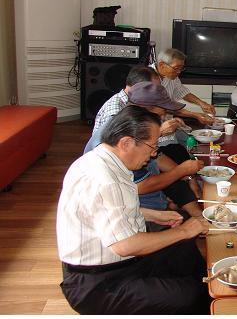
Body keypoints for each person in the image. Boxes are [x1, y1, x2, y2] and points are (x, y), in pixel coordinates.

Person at [57, 106, 212, 314]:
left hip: (118, 262)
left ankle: (208, 290)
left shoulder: (104, 161)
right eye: (152, 147)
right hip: (97, 282)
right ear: (126, 143)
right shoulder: (105, 179)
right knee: (189, 296)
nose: (154, 154)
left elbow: (105, 211)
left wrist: (152, 214)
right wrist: (184, 230)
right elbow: (125, 245)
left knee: (185, 251)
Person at [85, 82, 203, 219]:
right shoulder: (125, 138)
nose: (163, 119)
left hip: (146, 204)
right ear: (144, 110)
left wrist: (188, 176)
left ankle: (198, 216)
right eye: (160, 115)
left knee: (173, 169)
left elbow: (158, 157)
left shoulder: (132, 125)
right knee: (173, 175)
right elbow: (140, 186)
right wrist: (181, 171)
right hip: (132, 211)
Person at [92, 66, 183, 137]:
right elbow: (120, 143)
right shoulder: (115, 110)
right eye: (153, 87)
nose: (158, 89)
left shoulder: (136, 104)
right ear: (139, 86)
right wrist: (159, 132)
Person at [151, 48, 214, 124]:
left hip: (166, 121)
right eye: (176, 68)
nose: (179, 72)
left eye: (181, 68)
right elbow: (164, 107)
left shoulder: (171, 75)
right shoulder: (147, 77)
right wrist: (195, 115)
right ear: (162, 65)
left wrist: (202, 103)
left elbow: (182, 92)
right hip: (150, 125)